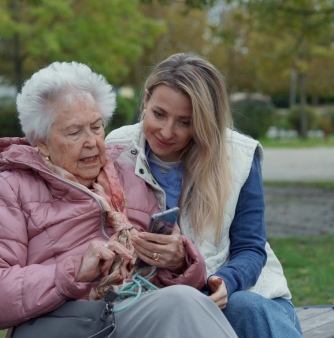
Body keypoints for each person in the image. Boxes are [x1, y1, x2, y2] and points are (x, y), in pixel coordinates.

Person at [0, 61, 237, 337]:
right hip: (62, 322)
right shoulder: (7, 189)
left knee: (193, 303)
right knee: (182, 305)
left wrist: (178, 263)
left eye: (97, 127)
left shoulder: (128, 178)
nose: (92, 141)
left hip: (129, 311)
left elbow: (164, 279)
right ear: (41, 142)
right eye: (74, 132)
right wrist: (73, 272)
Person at [105, 52, 303, 337]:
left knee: (242, 307)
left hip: (246, 298)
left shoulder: (239, 156)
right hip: (158, 301)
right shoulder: (117, 147)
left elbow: (251, 248)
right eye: (159, 114)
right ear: (146, 100)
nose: (166, 131)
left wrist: (223, 281)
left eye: (185, 122)